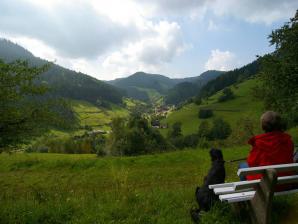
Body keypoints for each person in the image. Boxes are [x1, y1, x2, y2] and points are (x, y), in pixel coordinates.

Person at [240, 111, 294, 181]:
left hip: (266, 185)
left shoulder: (259, 143)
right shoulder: (288, 141)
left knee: (242, 165)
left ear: (263, 126)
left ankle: (246, 189)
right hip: (286, 182)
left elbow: (251, 163)